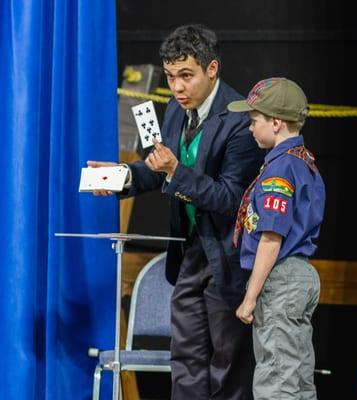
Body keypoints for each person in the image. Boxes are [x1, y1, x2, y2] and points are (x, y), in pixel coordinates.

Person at [88, 24, 264, 399]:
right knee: (185, 363)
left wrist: (174, 171)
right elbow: (158, 169)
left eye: (186, 76)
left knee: (229, 368)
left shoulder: (240, 122)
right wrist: (121, 177)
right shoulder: (174, 111)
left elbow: (231, 199)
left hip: (227, 262)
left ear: (211, 69)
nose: (177, 88)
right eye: (170, 77)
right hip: (187, 256)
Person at [227, 77, 325, 400]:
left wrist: (251, 296)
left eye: (255, 120)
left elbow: (271, 237)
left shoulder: (280, 169)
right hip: (301, 274)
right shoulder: (303, 161)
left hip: (280, 277)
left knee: (276, 378)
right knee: (297, 376)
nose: (251, 128)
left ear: (276, 122)